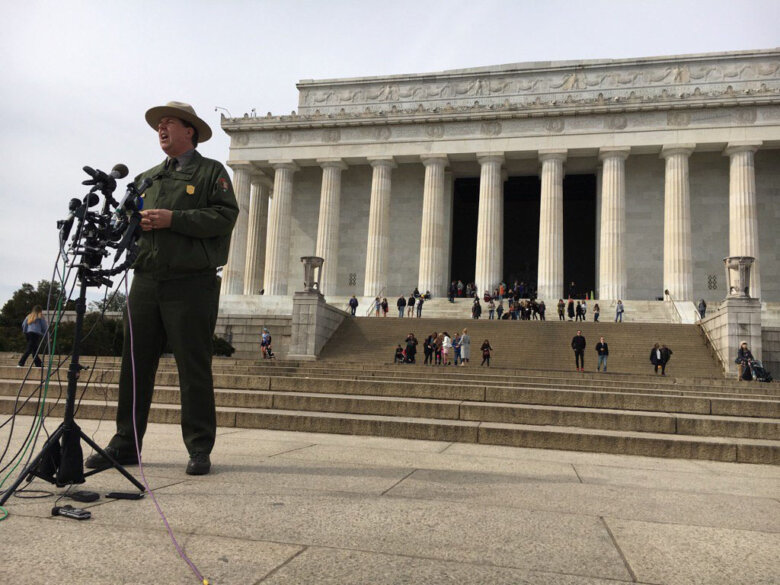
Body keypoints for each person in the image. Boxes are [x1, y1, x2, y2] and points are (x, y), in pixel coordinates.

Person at [86, 101, 238, 477]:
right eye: (159, 125)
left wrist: (175, 219)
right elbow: (122, 218)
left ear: (190, 131)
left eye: (169, 123)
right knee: (134, 365)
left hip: (191, 282)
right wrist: (132, 221)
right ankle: (125, 442)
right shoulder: (147, 178)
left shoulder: (211, 172)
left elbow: (225, 216)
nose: (161, 129)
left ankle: (199, 447)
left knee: (193, 366)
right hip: (146, 280)